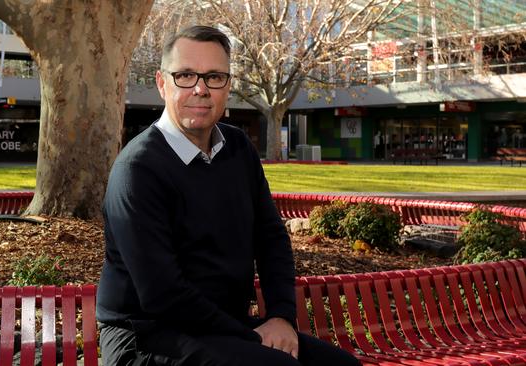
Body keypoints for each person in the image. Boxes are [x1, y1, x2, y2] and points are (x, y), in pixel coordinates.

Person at [96, 25, 361, 366]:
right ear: (162, 84)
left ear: (228, 86)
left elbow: (270, 237)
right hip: (147, 336)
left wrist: (280, 317)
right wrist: (253, 338)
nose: (201, 89)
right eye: (186, 75)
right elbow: (163, 295)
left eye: (214, 77)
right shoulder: (138, 169)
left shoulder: (237, 148)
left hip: (219, 327)